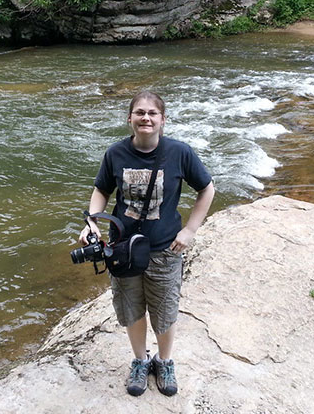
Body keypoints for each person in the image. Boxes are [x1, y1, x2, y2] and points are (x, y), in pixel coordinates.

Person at [78, 91, 215, 397]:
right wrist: (92, 222)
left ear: (162, 120)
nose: (146, 118)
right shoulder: (115, 154)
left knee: (164, 310)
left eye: (152, 114)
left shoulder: (180, 153)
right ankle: (140, 360)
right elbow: (101, 190)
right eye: (139, 113)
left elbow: (207, 189)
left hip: (165, 249)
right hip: (123, 249)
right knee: (132, 308)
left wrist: (190, 230)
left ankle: (164, 362)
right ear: (130, 119)